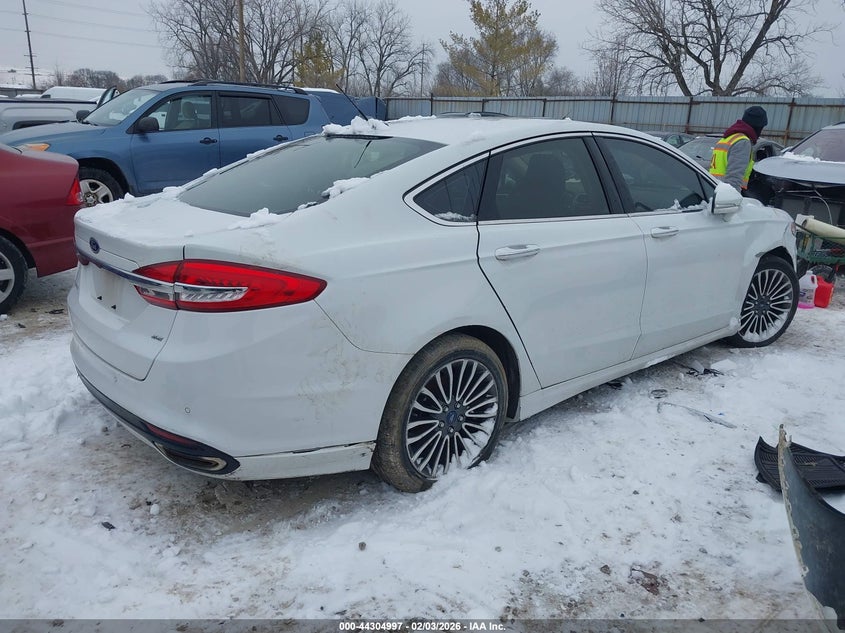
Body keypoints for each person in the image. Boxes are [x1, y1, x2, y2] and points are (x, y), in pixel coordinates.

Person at [709, 105, 768, 193]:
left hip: (712, 188)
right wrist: (732, 199)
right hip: (724, 194)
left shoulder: (728, 138)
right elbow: (734, 178)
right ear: (758, 127)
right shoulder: (743, 142)